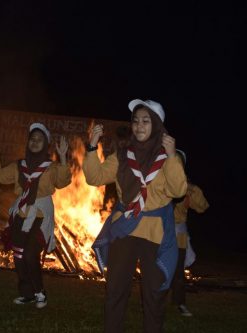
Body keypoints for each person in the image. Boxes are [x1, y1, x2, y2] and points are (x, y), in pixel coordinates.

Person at [83, 99, 187, 332]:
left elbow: (178, 190)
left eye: (146, 121)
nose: (139, 126)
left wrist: (171, 156)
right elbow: (94, 177)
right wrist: (91, 147)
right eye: (136, 121)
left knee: (153, 294)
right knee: (115, 290)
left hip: (155, 232)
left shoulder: (169, 157)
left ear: (157, 125)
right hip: (125, 228)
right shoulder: (122, 155)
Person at [0, 123, 71, 309]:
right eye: (32, 139)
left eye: (40, 139)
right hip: (21, 211)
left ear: (46, 144)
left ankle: (40, 292)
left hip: (41, 213)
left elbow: (63, 181)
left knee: (31, 253)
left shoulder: (51, 167)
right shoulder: (19, 166)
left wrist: (63, 157)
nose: (35, 142)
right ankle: (27, 294)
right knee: (19, 255)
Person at [171, 149, 209, 317]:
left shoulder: (188, 187)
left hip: (177, 236)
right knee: (156, 271)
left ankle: (180, 303)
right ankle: (154, 302)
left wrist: (192, 190)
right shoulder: (159, 179)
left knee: (178, 274)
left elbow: (202, 207)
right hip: (157, 233)